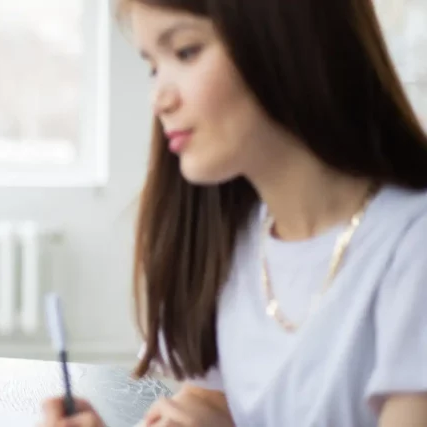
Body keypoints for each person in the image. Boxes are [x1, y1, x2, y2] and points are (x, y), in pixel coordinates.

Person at [42, 0, 427, 425]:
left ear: (289, 40)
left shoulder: (412, 248)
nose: (159, 99)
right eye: (153, 66)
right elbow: (211, 402)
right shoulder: (226, 239)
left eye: (186, 52)